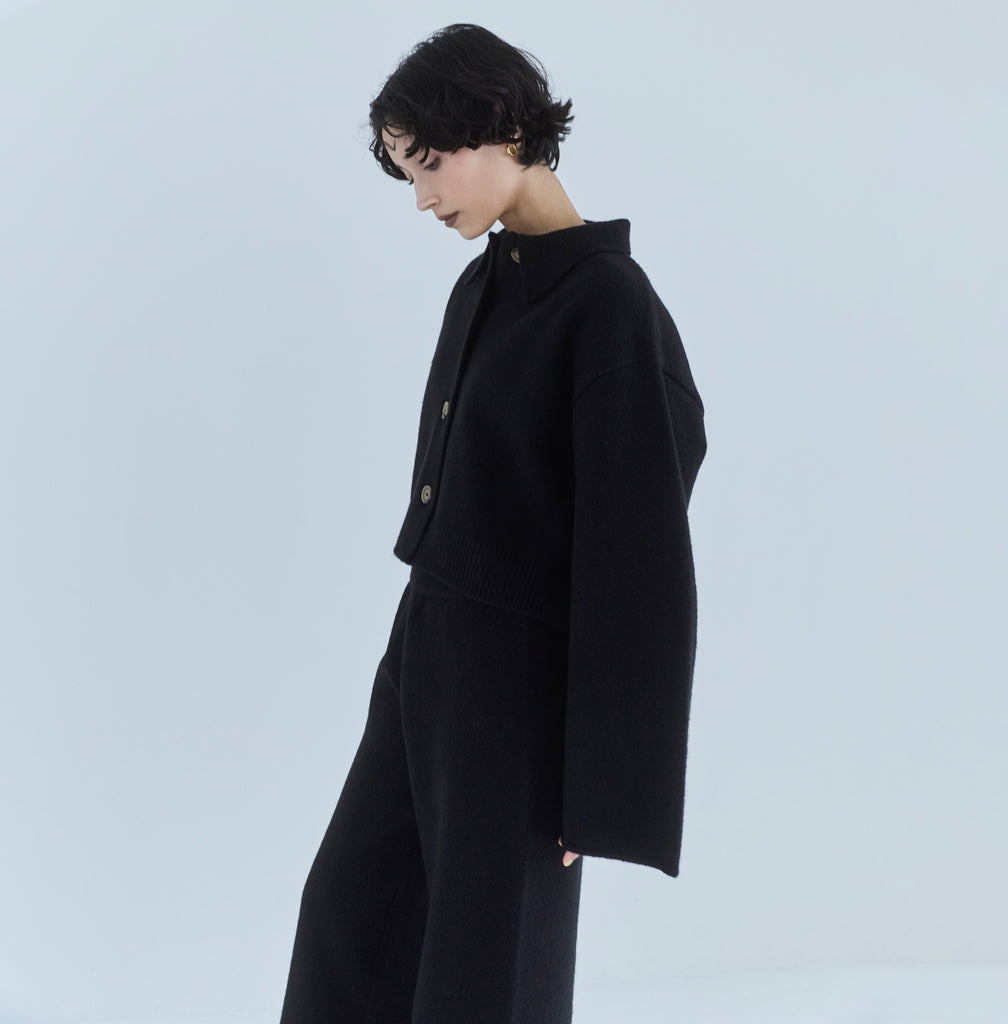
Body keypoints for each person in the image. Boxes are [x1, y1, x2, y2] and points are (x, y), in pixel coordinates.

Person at [279, 23, 707, 1024]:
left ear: (506, 123)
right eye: (406, 174)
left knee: (486, 958)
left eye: (430, 163)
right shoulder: (484, 281)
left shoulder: (609, 306)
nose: (422, 198)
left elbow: (638, 560)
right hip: (426, 651)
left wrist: (599, 782)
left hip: (518, 686)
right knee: (351, 915)